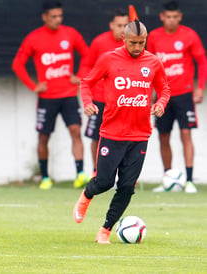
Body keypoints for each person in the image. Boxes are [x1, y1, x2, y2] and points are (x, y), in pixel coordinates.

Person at [73, 20, 171, 244]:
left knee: (127, 187)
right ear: (123, 39)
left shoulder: (153, 62)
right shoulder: (109, 59)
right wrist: (87, 102)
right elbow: (86, 82)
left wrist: (161, 104)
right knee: (104, 182)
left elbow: (164, 88)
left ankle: (105, 230)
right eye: (133, 43)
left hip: (139, 136)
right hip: (111, 133)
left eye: (141, 43)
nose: (137, 47)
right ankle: (87, 194)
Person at [12, 0, 90, 190]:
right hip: (47, 98)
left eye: (60, 16)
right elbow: (17, 64)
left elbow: (87, 55)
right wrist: (33, 86)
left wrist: (79, 77)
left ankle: (80, 174)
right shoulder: (34, 38)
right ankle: (45, 178)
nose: (57, 20)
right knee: (43, 137)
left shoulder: (70, 34)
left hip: (69, 95)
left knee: (75, 131)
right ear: (44, 17)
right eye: (53, 16)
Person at [147, 0, 207, 193]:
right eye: (168, 17)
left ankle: (189, 180)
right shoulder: (154, 36)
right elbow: (148, 67)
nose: (172, 20)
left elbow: (202, 62)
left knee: (186, 133)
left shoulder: (189, 35)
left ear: (180, 17)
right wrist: (149, 94)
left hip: (184, 95)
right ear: (162, 17)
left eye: (175, 17)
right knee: (163, 136)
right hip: (162, 97)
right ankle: (168, 179)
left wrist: (200, 88)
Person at [84, 9, 129, 177]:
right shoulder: (99, 43)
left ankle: (123, 175)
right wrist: (87, 92)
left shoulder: (132, 45)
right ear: (111, 25)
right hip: (100, 99)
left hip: (124, 101)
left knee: (124, 138)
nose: (123, 29)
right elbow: (87, 66)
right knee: (97, 137)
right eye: (119, 25)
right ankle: (97, 172)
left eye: (126, 25)